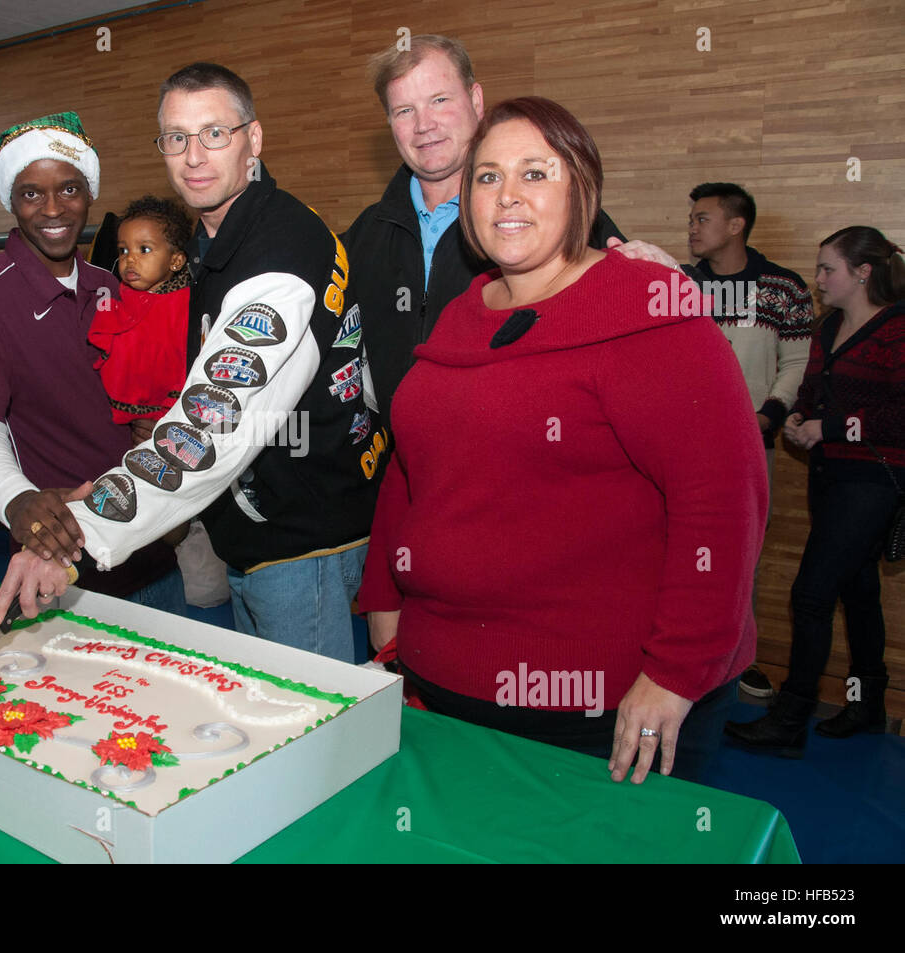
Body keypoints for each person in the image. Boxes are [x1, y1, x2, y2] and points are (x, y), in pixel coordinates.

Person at [356, 96, 767, 784]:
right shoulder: (461, 314)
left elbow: (723, 505)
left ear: (582, 188)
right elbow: (412, 468)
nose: (507, 195)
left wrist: (675, 673)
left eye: (535, 173)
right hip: (440, 682)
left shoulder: (649, 307)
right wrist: (383, 604)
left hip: (596, 710)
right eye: (486, 177)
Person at [0, 65, 384, 663]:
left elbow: (207, 428)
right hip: (266, 526)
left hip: (303, 542)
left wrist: (76, 534)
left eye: (214, 134)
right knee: (262, 716)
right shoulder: (228, 234)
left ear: (254, 140)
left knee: (307, 728)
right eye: (176, 137)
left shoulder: (275, 262)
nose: (193, 156)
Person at [0, 112, 185, 613]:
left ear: (90, 194)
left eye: (69, 189)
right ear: (11, 200)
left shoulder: (113, 285)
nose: (53, 208)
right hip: (61, 561)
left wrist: (156, 423)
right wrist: (15, 498)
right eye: (32, 193)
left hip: (152, 553)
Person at [343, 35, 642, 431]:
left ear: (476, 100)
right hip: (390, 473)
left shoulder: (547, 220)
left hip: (511, 461)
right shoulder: (363, 235)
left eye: (440, 100)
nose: (423, 125)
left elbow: (636, 299)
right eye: (404, 110)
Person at [725, 227, 905, 755]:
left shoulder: (897, 331)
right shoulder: (828, 329)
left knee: (811, 595)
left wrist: (826, 429)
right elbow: (809, 387)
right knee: (858, 589)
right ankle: (868, 703)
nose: (819, 279)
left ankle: (790, 718)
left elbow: (899, 416)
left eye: (828, 269)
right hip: (831, 476)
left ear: (863, 272)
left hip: (874, 480)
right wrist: (801, 415)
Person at [688, 181, 814, 698]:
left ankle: (738, 662)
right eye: (691, 218)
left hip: (749, 444)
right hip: (683, 447)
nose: (692, 227)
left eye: (702, 218)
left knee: (742, 554)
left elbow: (798, 361)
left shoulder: (782, 287)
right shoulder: (677, 284)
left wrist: (768, 416)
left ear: (736, 225)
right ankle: (677, 660)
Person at [89, 195, 192, 438]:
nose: (129, 259)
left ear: (175, 261)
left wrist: (166, 417)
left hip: (164, 419)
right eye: (123, 250)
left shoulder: (183, 307)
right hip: (110, 413)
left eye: (144, 249)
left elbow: (183, 369)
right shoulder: (120, 295)